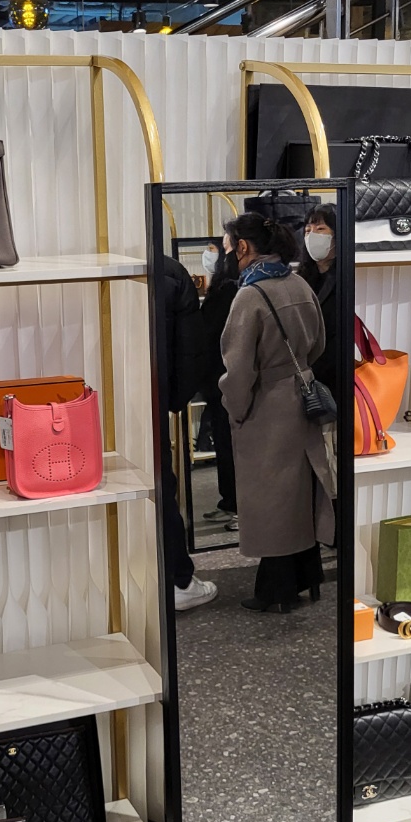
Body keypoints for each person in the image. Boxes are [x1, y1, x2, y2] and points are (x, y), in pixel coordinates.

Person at [219, 212, 335, 612]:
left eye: (231, 245)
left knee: (270, 500)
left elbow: (238, 371)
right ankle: (305, 578)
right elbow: (319, 343)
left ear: (243, 246)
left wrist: (235, 410)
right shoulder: (299, 283)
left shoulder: (250, 296)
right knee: (298, 493)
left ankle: (277, 591)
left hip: (266, 406)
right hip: (302, 397)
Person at [154, 254, 218, 612]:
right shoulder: (170, 272)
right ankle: (177, 581)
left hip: (78, 401)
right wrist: (174, 400)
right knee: (159, 489)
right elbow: (190, 350)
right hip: (150, 401)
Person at [198, 237, 239, 529]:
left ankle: (239, 507)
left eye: (220, 249)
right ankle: (230, 502)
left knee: (233, 446)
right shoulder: (220, 286)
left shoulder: (232, 288)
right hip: (216, 379)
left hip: (229, 378)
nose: (212, 255)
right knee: (224, 444)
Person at [297, 204, 341, 393]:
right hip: (305, 372)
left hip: (334, 373)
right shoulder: (301, 277)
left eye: (320, 229)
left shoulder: (346, 276)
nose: (312, 235)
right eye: (308, 230)